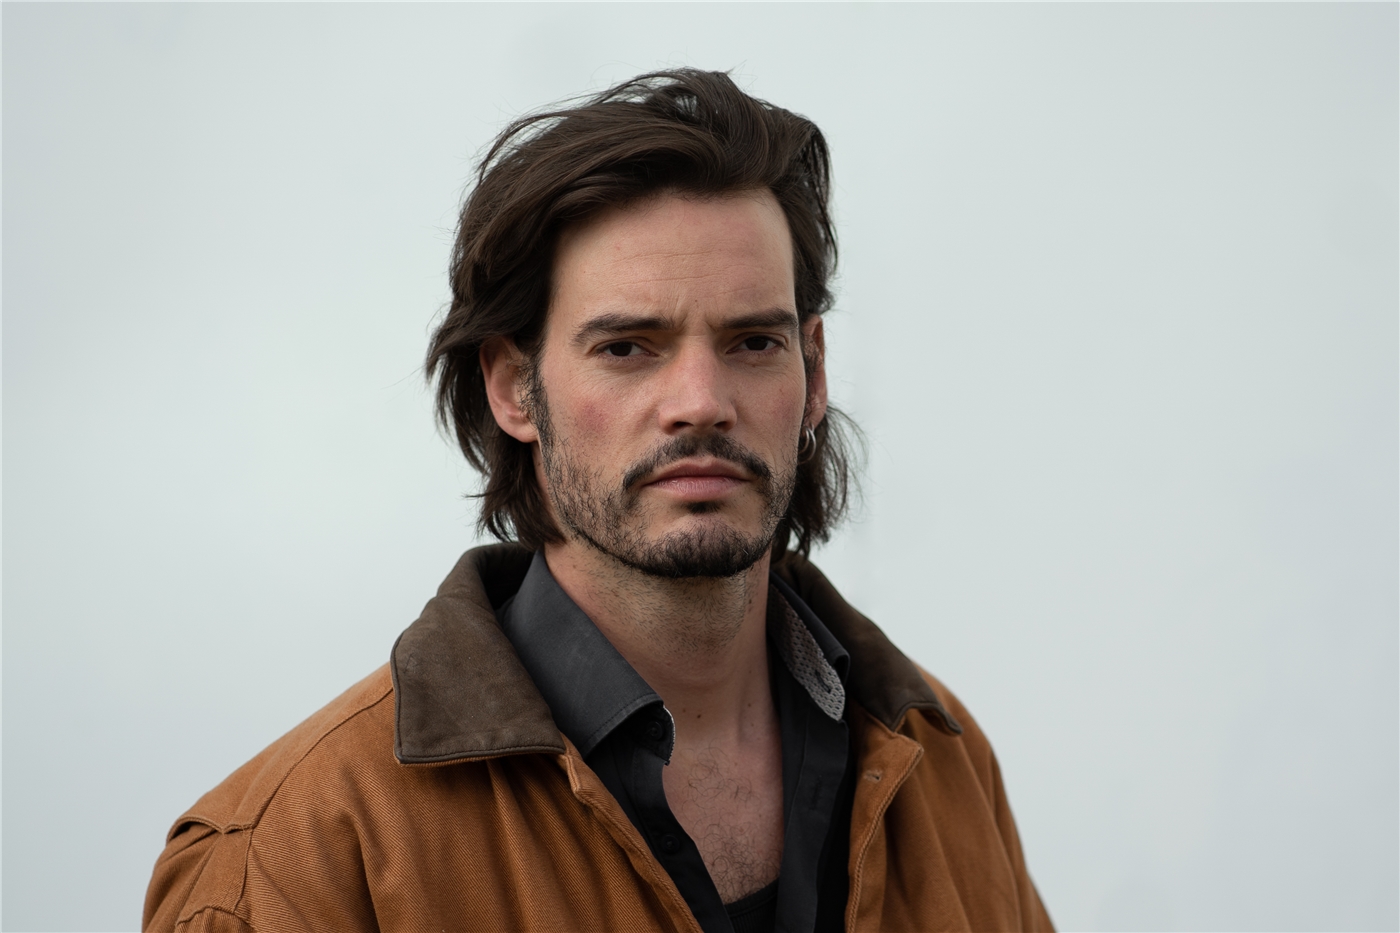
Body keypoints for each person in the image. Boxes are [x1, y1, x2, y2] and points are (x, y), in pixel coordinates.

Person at [143, 69, 1053, 933]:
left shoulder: (940, 760)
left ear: (813, 372)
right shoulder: (287, 863)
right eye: (627, 347)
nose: (701, 400)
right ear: (513, 387)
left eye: (752, 342)